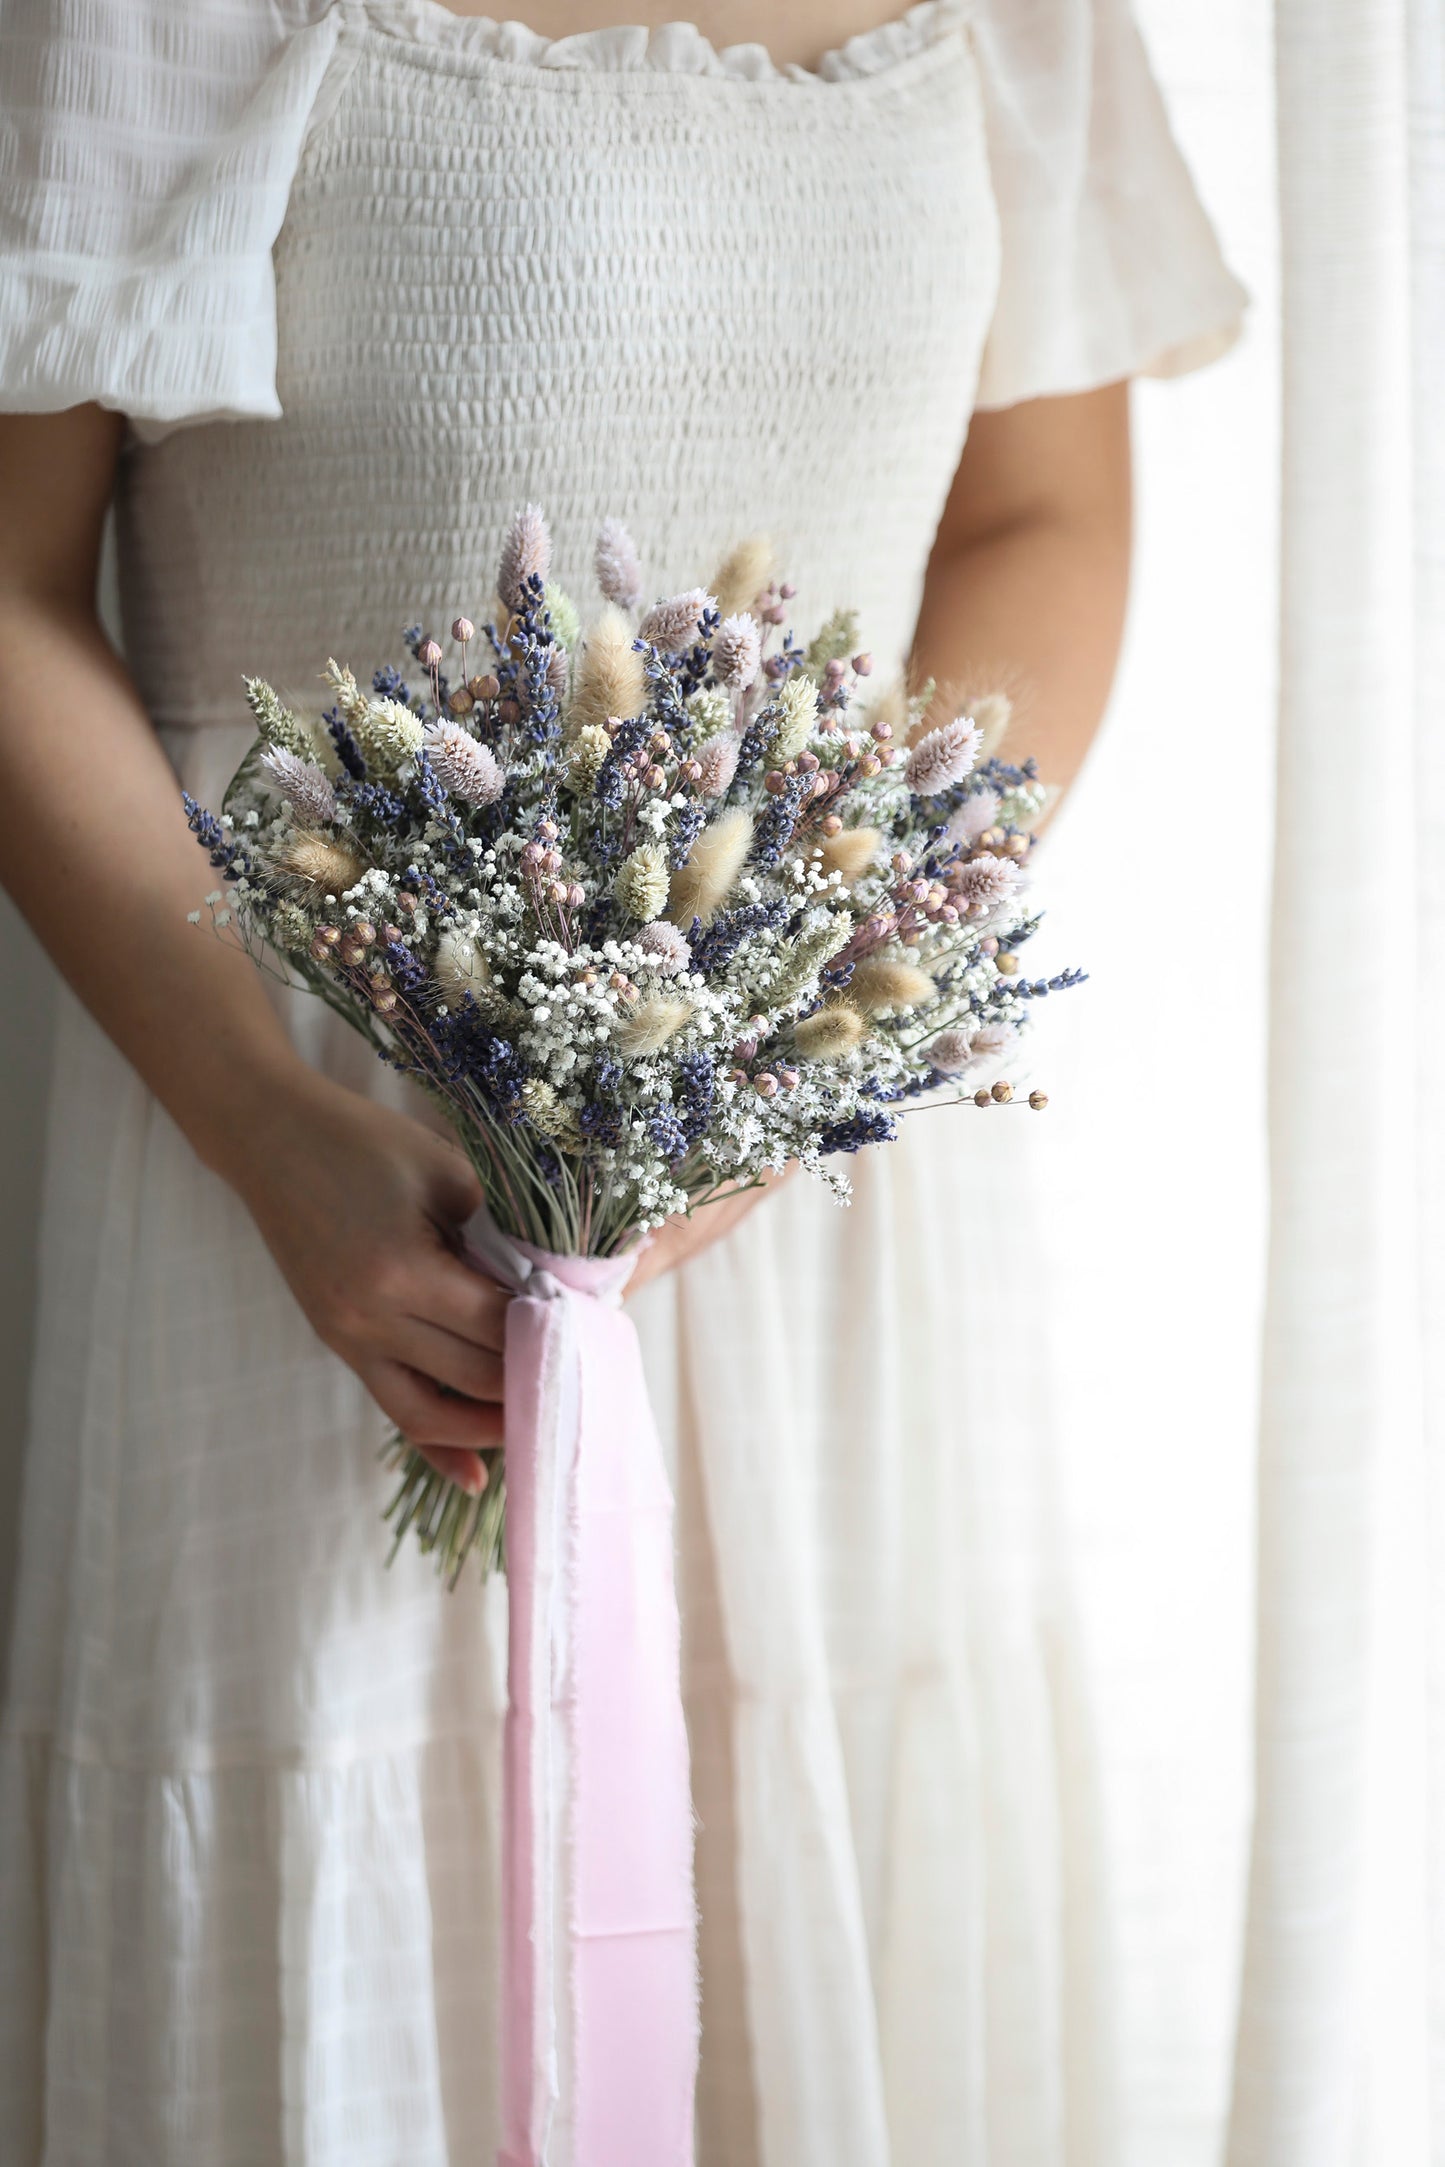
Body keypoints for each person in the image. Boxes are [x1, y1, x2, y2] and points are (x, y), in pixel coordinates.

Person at [0, 1, 1245, 2157]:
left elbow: (1045, 514)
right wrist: (276, 1134)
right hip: (304, 1164)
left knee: (807, 1916)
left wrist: (829, 1003)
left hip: (822, 1191)